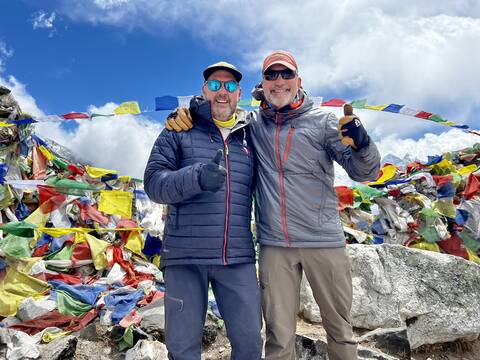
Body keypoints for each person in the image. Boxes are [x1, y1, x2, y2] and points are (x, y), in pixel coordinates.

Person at [166, 50, 381, 360]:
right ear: (262, 84)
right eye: (271, 75)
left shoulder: (324, 121)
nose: (279, 81)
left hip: (324, 242)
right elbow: (218, 117)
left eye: (286, 74)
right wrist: (183, 115)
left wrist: (363, 144)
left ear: (298, 81)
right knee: (279, 337)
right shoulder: (252, 125)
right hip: (275, 245)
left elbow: (366, 172)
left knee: (341, 332)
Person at [144, 61, 262, 360]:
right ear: (203, 90)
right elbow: (154, 184)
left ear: (239, 94)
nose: (222, 92)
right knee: (183, 349)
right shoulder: (178, 130)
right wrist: (195, 177)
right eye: (215, 85)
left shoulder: (251, 135)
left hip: (236, 257)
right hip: (185, 257)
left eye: (231, 86)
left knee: (249, 344)